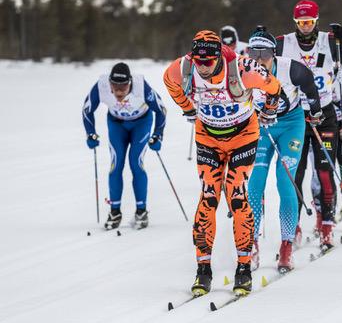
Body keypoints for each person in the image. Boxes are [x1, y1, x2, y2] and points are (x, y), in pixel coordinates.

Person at [163, 30, 281, 297]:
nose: (203, 67)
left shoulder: (243, 68)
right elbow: (168, 81)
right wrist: (188, 108)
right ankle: (203, 270)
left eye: (208, 61)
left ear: (219, 56)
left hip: (243, 136)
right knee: (208, 198)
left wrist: (270, 110)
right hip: (208, 138)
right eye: (198, 61)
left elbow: (274, 87)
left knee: (236, 196)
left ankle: (243, 268)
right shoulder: (183, 67)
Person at [276, 0, 342, 250]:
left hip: (325, 114)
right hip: (294, 117)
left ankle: (327, 225)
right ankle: (295, 226)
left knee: (324, 171)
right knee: (295, 174)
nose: (304, 27)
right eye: (300, 22)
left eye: (309, 22)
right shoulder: (283, 43)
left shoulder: (330, 41)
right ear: (295, 23)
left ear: (316, 21)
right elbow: (264, 65)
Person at [245, 28, 322, 272]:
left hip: (290, 124)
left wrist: (316, 111)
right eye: (253, 52)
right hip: (260, 126)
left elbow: (310, 88)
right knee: (255, 182)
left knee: (285, 180)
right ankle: (251, 243)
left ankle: (287, 244)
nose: (258, 59)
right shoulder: (243, 69)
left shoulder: (292, 68)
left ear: (274, 53)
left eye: (264, 53)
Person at [82, 62, 166, 230]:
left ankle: (141, 211)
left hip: (141, 123)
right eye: (115, 87)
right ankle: (115, 212)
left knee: (136, 163)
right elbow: (87, 109)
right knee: (116, 165)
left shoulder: (141, 86)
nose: (119, 92)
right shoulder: (102, 85)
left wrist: (158, 135)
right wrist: (90, 132)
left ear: (130, 83)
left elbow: (161, 109)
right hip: (116, 125)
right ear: (110, 84)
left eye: (123, 87)